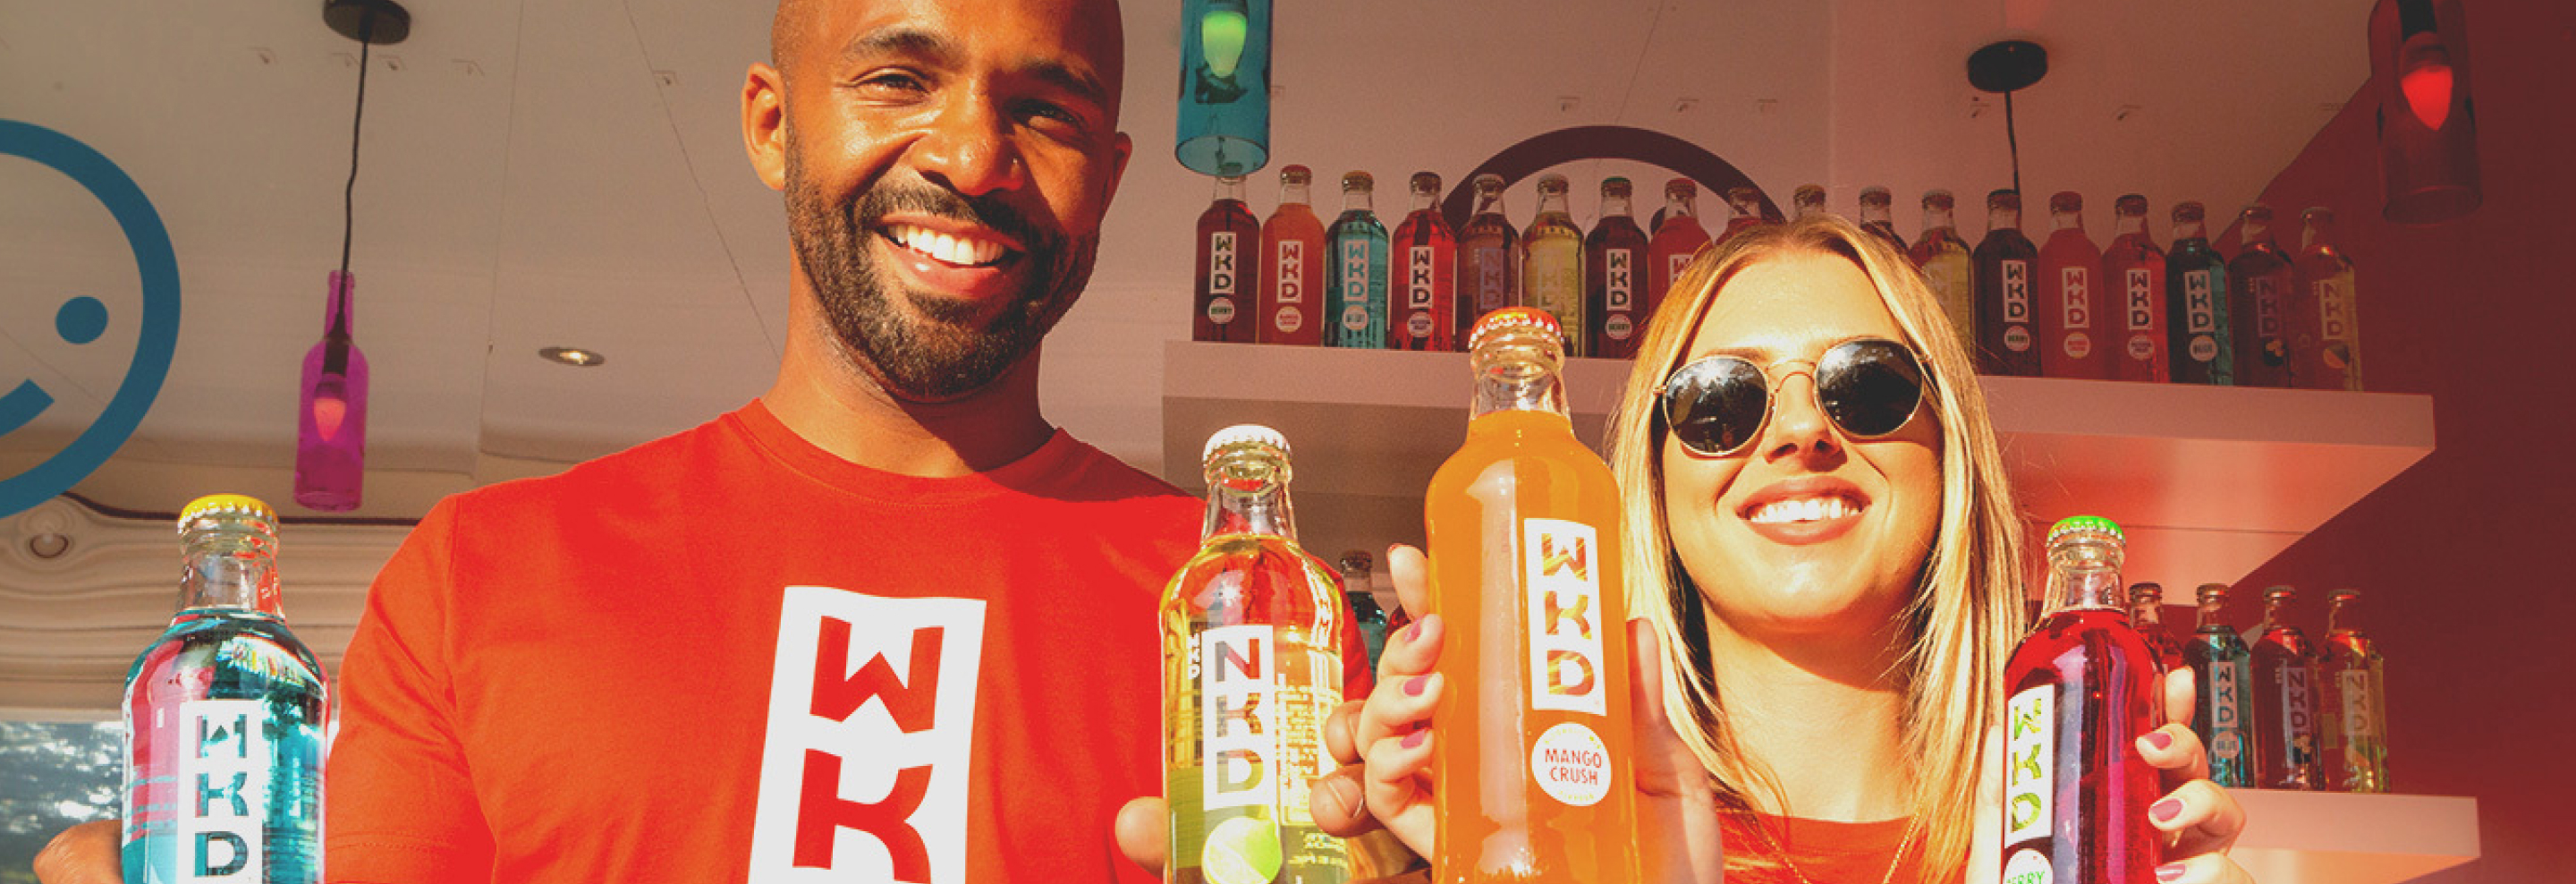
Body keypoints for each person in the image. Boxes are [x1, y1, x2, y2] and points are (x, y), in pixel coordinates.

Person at [38, 0, 1198, 881]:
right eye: (900, 79)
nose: (973, 158)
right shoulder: (478, 579)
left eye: (1048, 111)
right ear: (772, 123)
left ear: (1111, 172)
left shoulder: (1238, 620)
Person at [1325, 217, 2256, 883]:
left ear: (1949, 449)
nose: (1801, 427)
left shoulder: (2075, 840)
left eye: (1869, 384)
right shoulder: (1573, 846)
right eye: (1721, 400)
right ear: (1653, 480)